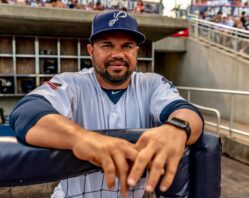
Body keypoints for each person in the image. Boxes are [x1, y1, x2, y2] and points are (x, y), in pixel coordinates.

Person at [10, 10, 203, 198]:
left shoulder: (151, 84)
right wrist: (81, 138)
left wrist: (176, 128)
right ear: (91, 50)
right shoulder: (71, 83)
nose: (117, 54)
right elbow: (26, 111)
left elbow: (187, 112)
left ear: (136, 51)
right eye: (107, 45)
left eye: (127, 46)